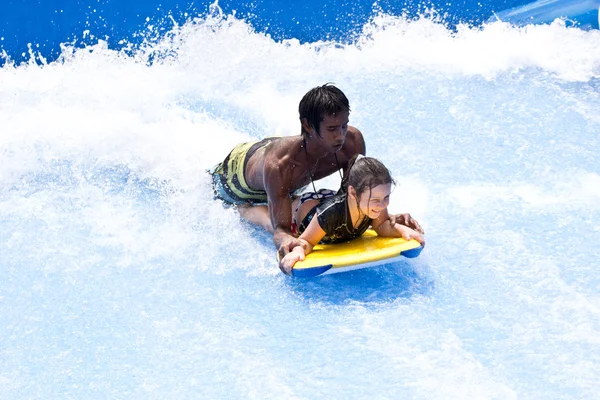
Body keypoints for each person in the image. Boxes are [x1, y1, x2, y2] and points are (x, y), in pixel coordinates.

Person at [209, 83, 423, 261]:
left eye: (344, 126)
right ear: (307, 125)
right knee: (274, 221)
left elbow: (349, 199)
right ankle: (244, 209)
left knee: (294, 204)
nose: (340, 136)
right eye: (332, 129)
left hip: (284, 180)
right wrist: (287, 239)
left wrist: (385, 218)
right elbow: (282, 230)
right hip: (236, 179)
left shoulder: (351, 143)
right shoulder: (281, 165)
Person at [279, 155, 425, 275]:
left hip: (338, 200)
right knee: (271, 222)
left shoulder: (373, 206)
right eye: (376, 200)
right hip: (305, 208)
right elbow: (307, 242)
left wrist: (402, 230)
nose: (383, 205)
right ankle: (255, 211)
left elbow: (381, 225)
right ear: (354, 193)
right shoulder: (330, 214)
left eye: (386, 197)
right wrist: (297, 251)